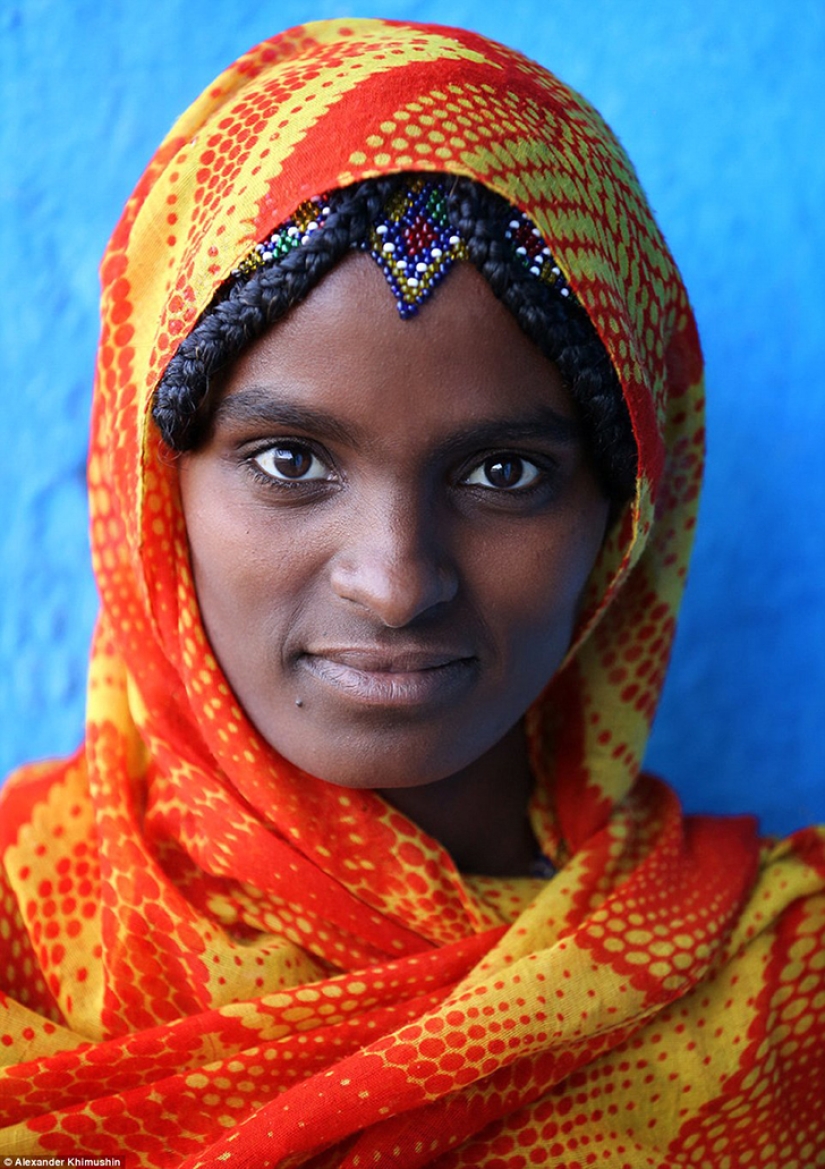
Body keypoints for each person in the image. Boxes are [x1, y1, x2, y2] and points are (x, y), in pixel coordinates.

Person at [0, 17, 822, 1167]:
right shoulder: (20, 933)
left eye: (505, 472)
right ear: (152, 488)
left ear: (627, 516)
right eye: (291, 460)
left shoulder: (780, 1004)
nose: (394, 581)